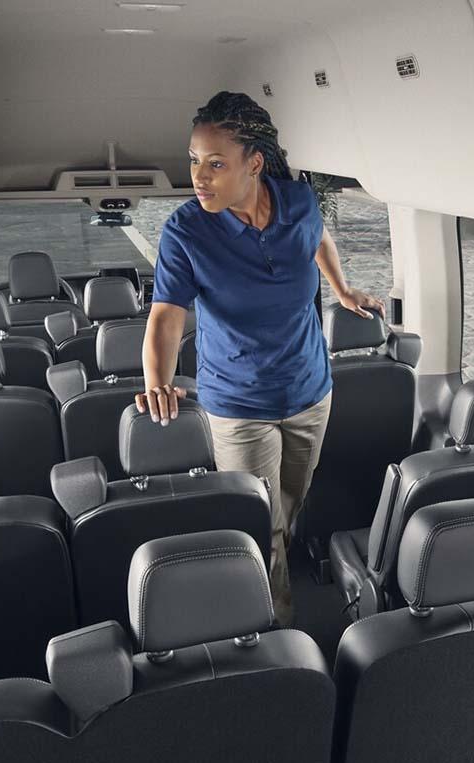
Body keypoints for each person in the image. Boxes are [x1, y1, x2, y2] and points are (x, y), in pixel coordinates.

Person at [135, 91, 384, 625]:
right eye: (194, 161)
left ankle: (273, 576)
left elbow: (319, 238)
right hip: (239, 400)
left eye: (215, 163)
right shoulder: (186, 230)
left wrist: (341, 289)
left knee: (289, 506)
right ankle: (276, 630)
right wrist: (157, 378)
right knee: (261, 522)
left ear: (254, 163)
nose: (199, 176)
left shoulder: (296, 200)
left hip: (310, 390)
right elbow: (166, 316)